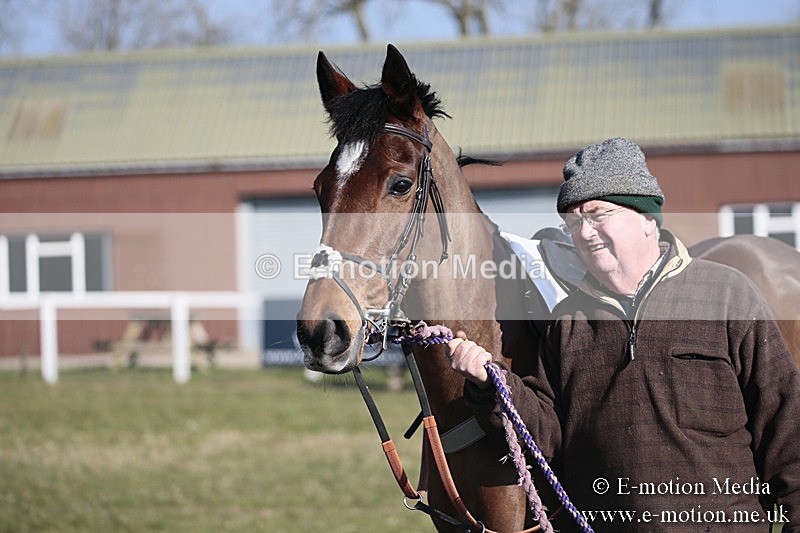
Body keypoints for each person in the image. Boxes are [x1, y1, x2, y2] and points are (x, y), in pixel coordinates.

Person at [447, 137, 800, 531]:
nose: (585, 231)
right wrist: (489, 382)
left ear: (647, 217)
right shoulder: (568, 320)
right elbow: (547, 437)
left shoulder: (726, 295)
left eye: (598, 214)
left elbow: (786, 426)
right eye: (574, 221)